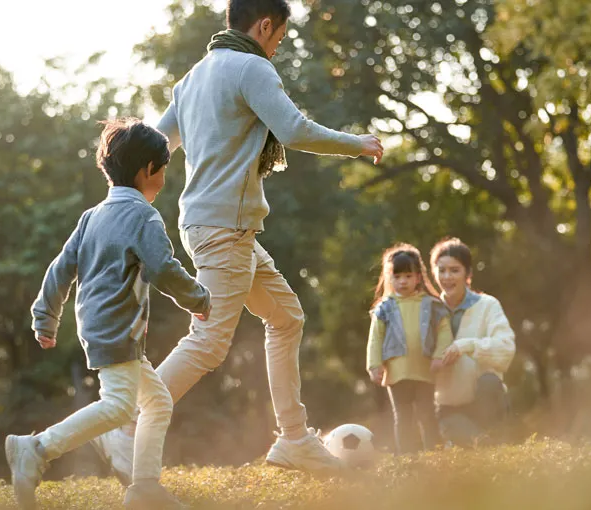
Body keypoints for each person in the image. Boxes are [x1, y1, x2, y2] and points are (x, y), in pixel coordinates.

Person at [92, 0, 385, 481]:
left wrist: (117, 182)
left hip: (214, 225)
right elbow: (292, 130)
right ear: (265, 24)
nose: (278, 48)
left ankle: (293, 439)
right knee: (207, 343)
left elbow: (157, 144)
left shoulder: (193, 78)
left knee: (287, 317)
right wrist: (357, 142)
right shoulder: (252, 67)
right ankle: (124, 428)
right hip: (224, 227)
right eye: (280, 38)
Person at [5, 119, 212, 510]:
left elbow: (60, 268)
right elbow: (164, 269)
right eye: (164, 170)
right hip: (118, 326)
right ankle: (37, 448)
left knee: (157, 401)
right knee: (118, 406)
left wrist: (44, 317)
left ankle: (145, 486)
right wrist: (199, 299)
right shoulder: (143, 216)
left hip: (100, 325)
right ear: (147, 170)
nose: (165, 178)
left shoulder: (92, 216)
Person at [366, 244, 454, 453]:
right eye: (397, 276)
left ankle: (434, 454)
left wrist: (440, 355)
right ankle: (408, 458)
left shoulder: (432, 305)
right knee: (403, 417)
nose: (402, 281)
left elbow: (444, 331)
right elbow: (375, 337)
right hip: (397, 371)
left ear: (418, 277)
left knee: (427, 414)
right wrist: (374, 365)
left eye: (408, 275)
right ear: (390, 278)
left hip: (424, 369)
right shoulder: (385, 307)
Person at [430, 238, 516, 447]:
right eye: (441, 271)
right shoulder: (429, 311)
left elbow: (506, 349)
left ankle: (498, 446)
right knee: (477, 443)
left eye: (454, 270)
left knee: (489, 381)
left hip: (486, 400)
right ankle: (484, 445)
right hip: (448, 407)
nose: (447, 277)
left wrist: (466, 346)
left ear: (468, 274)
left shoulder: (488, 305)